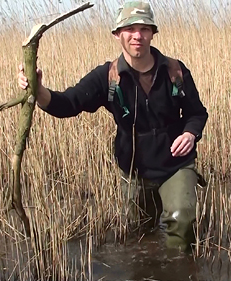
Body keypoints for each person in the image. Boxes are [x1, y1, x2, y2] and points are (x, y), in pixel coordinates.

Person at [18, 0, 208, 251]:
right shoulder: (107, 77)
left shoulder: (175, 70)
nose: (137, 35)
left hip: (176, 165)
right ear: (117, 34)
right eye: (129, 29)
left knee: (181, 222)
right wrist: (38, 89)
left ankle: (178, 268)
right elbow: (67, 104)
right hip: (134, 171)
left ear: (153, 33)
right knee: (139, 236)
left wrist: (190, 133)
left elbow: (197, 113)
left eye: (144, 28)